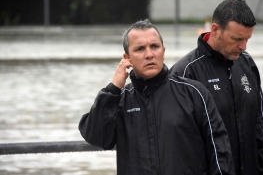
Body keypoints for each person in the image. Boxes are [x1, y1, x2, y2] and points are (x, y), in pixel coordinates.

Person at [79, 19, 235, 175]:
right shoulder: (119, 100)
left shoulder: (194, 93)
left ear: (163, 51)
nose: (149, 54)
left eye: (154, 46)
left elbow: (219, 151)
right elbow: (97, 138)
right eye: (140, 49)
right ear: (127, 58)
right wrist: (113, 88)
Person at [170, 0, 263, 175]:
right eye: (237, 39)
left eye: (247, 39)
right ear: (215, 30)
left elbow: (259, 129)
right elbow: (177, 146)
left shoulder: (248, 65)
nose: (243, 46)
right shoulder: (185, 72)